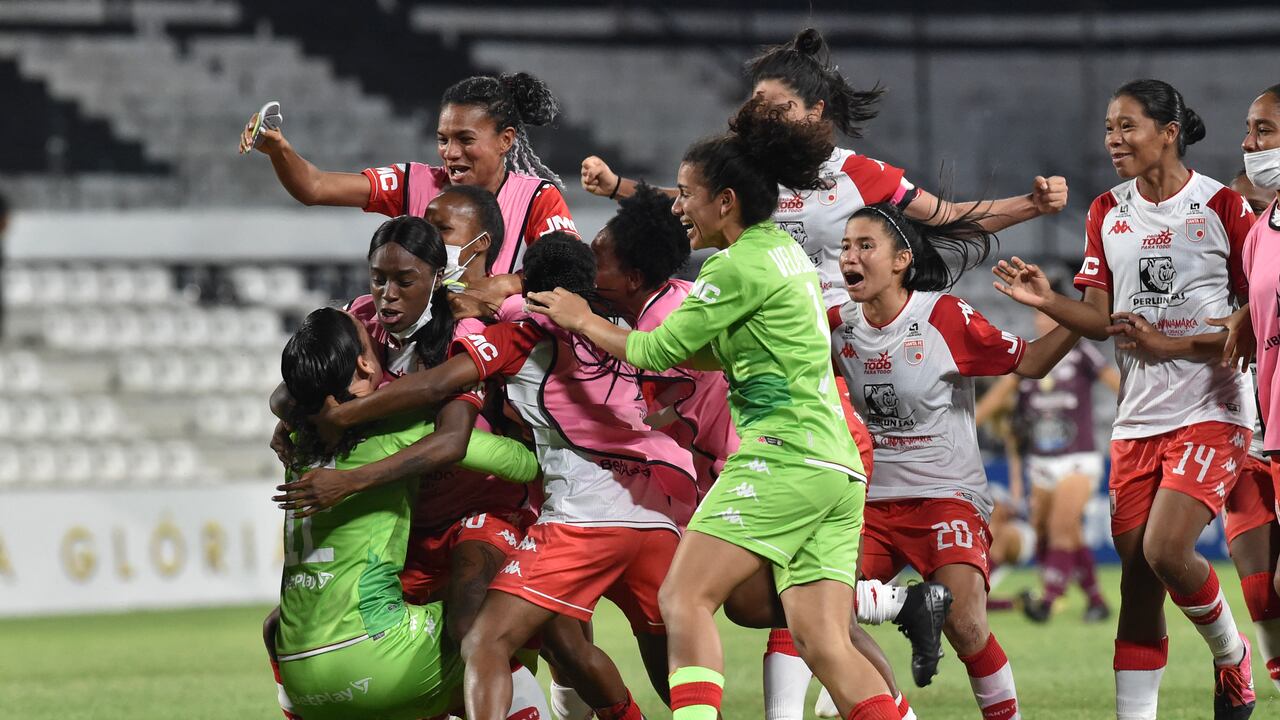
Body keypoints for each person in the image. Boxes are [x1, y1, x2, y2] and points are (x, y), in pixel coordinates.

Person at [530, 101, 901, 720]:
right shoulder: (782, 251)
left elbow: (655, 348)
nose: (679, 208)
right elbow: (710, 353)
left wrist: (581, 318)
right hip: (836, 466)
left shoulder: (733, 266)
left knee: (683, 597)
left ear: (724, 202)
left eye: (686, 194)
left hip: (782, 458)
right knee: (825, 642)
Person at [301, 233, 694, 720]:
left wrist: (343, 419)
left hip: (553, 512)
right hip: (656, 503)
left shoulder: (503, 330)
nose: (386, 292)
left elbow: (448, 401)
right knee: (638, 653)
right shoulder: (621, 328)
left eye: (404, 279)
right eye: (379, 279)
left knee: (483, 636)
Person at [992, 79, 1258, 719]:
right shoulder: (1106, 211)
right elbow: (1097, 318)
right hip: (1137, 422)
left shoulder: (1223, 207)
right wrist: (1044, 301)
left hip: (1212, 409)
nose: (1113, 140)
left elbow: (1253, 319)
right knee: (1139, 588)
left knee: (1167, 549)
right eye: (1109, 128)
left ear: (1169, 131)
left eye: (1128, 126)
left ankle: (1232, 656)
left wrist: (1173, 346)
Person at [831, 200, 1082, 719]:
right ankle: (896, 709)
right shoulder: (834, 323)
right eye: (845, 247)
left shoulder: (943, 317)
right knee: (819, 610)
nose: (848, 257)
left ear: (901, 261)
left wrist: (1081, 316)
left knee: (965, 621)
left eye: (864, 246)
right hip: (868, 501)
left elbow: (1032, 361)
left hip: (945, 496)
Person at [271, 307, 546, 720]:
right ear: (366, 364)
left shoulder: (295, 442)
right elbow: (521, 464)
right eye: (368, 338)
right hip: (377, 662)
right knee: (491, 637)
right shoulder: (397, 430)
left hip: (300, 683)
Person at [241, 72, 577, 276]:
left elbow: (570, 268)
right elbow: (314, 187)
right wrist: (279, 150)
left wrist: (508, 284)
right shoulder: (415, 182)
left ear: (505, 140)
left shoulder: (537, 199)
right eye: (443, 139)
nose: (450, 152)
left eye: (465, 139)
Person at [974, 296, 1120, 623]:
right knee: (1053, 532)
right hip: (1040, 464)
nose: (1040, 322)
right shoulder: (1030, 358)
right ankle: (1096, 600)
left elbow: (1115, 383)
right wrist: (965, 429)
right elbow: (999, 396)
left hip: (1078, 459)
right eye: (1037, 316)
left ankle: (1049, 599)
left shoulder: (1081, 353)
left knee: (1061, 525)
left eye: (1045, 315)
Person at [1235, 83, 1280, 690]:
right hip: (1260, 423)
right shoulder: (1260, 230)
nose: (1248, 144)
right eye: (1249, 131)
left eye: (1264, 131)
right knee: (1257, 580)